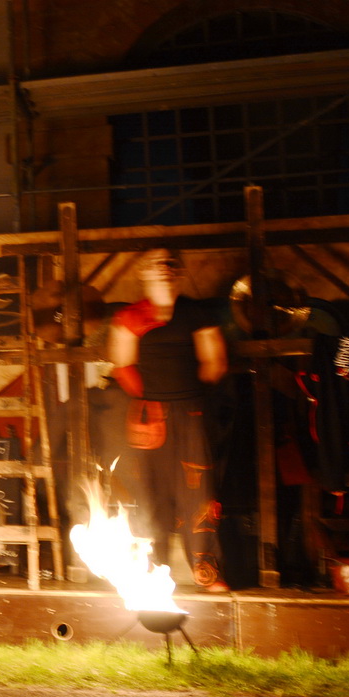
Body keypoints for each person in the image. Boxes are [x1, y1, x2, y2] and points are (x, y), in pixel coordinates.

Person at [108, 248, 230, 592]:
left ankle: (206, 572)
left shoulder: (196, 313)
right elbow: (122, 365)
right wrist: (153, 400)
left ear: (179, 273)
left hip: (191, 414)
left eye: (170, 264)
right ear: (143, 273)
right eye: (155, 264)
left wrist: (186, 398)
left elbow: (214, 362)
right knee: (150, 492)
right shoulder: (130, 317)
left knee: (201, 494)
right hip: (149, 417)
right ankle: (150, 573)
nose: (163, 269)